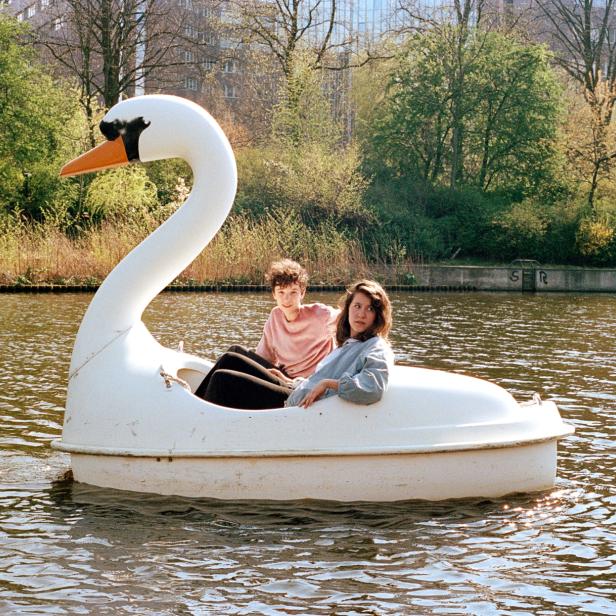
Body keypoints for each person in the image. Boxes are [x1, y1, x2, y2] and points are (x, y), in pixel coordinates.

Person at [198, 280, 394, 410]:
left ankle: (195, 430)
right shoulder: (348, 343)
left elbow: (373, 387)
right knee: (231, 358)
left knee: (222, 379)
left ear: (378, 315)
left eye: (370, 309)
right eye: (357, 306)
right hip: (297, 389)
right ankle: (187, 408)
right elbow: (316, 379)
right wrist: (292, 380)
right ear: (348, 309)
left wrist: (329, 384)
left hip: (296, 405)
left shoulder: (376, 346)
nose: (361, 314)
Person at [194, 259, 339, 400]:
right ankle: (194, 402)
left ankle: (200, 410)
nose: (287, 299)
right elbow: (264, 358)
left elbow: (349, 321)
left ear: (302, 293)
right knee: (232, 354)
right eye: (281, 292)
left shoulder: (320, 314)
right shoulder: (275, 316)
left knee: (221, 378)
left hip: (301, 386)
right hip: (281, 376)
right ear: (274, 294)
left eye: (293, 292)